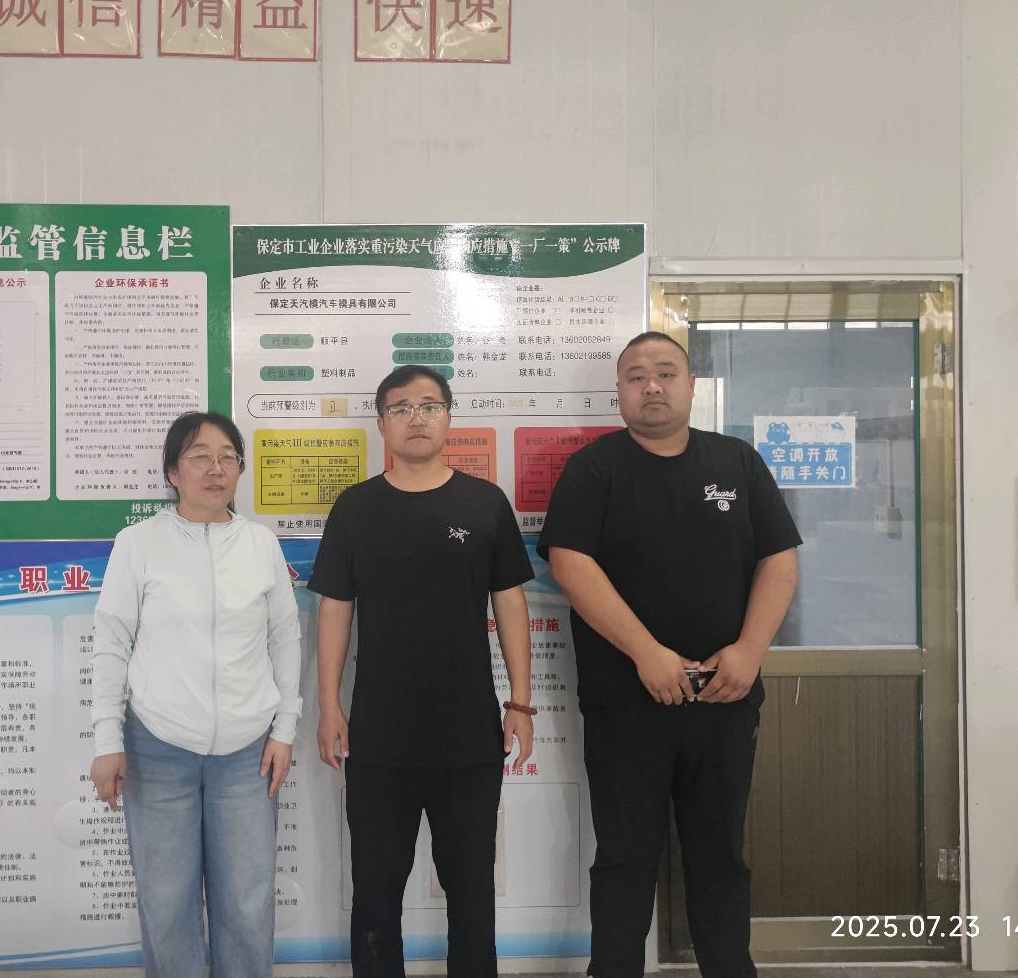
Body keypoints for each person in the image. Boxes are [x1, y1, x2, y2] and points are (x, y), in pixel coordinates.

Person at [538, 331, 802, 978]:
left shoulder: (737, 462)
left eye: (665, 372)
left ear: (690, 386)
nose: (651, 385)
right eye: (635, 376)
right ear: (619, 393)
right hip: (625, 705)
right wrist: (647, 653)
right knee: (624, 859)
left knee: (720, 857)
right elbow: (571, 564)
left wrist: (749, 651)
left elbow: (779, 559)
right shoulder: (594, 469)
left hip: (724, 699)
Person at [309, 364, 535, 978]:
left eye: (429, 406)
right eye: (402, 408)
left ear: (448, 418)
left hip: (470, 735)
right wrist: (329, 706)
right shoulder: (356, 507)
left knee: (472, 889)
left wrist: (520, 703)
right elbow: (335, 609)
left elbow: (509, 602)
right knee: (376, 891)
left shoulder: (484, 503)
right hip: (380, 737)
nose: (417, 418)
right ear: (382, 422)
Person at [89, 411, 301, 978]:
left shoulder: (259, 543)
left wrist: (284, 729)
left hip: (248, 752)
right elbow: (111, 641)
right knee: (166, 904)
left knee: (248, 904)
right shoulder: (139, 544)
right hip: (158, 747)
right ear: (172, 472)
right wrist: (107, 740)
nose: (216, 469)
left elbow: (284, 637)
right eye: (200, 456)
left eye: (228, 457)